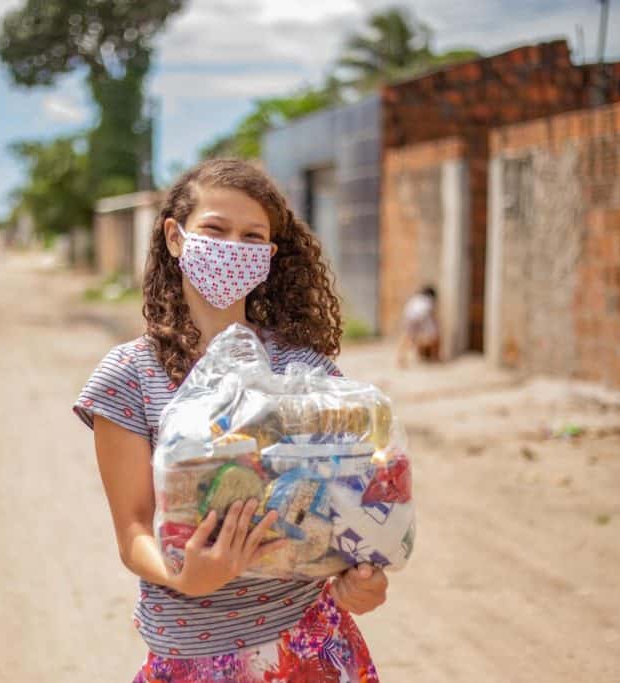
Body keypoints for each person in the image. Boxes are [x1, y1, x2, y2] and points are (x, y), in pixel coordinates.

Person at [74, 159, 388, 681]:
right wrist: (184, 577)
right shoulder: (130, 375)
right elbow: (132, 532)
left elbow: (345, 509)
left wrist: (359, 578)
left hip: (308, 644)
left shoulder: (304, 370)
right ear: (175, 238)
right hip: (192, 652)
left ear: (267, 257)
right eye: (215, 230)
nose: (232, 247)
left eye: (251, 237)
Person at [397, 285, 439, 367]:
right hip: (420, 319)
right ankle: (432, 356)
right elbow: (430, 315)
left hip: (408, 318)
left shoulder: (416, 298)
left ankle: (401, 357)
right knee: (431, 337)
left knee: (407, 338)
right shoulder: (428, 300)